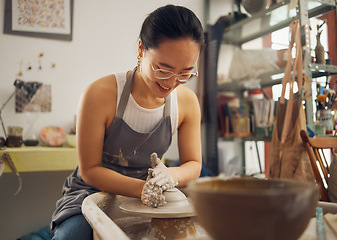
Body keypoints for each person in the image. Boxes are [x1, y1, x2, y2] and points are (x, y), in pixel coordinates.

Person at [51, 4, 204, 240]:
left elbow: (194, 163)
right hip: (90, 193)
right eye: (163, 69)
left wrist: (171, 176)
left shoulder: (187, 102)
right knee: (72, 236)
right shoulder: (100, 94)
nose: (172, 82)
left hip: (155, 197)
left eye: (185, 73)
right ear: (142, 48)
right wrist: (142, 189)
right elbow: (90, 171)